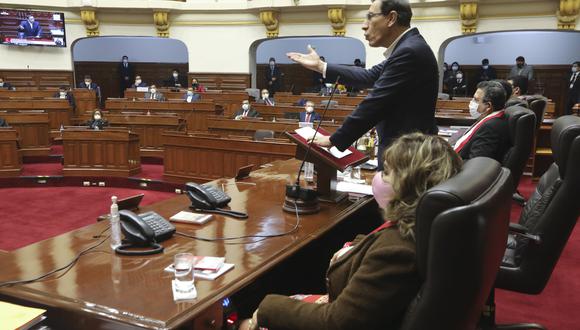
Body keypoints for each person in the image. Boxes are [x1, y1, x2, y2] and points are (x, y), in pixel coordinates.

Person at [239, 132, 463, 330]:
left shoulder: (397, 251)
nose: (380, 178)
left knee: (244, 322)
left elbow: (337, 322)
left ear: (408, 184)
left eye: (387, 172)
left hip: (336, 316)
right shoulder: (418, 226)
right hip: (349, 307)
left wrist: (266, 308)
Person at [287, 0, 438, 170]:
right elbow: (369, 76)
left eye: (370, 17)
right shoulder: (409, 47)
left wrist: (335, 139)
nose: (364, 26)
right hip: (405, 154)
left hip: (406, 160)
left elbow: (375, 103)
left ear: (391, 18)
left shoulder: (409, 52)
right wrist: (321, 66)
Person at [454, 81, 510, 162]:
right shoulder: (490, 119)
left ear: (488, 106)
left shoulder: (491, 127)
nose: (471, 102)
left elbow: (476, 163)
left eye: (476, 100)